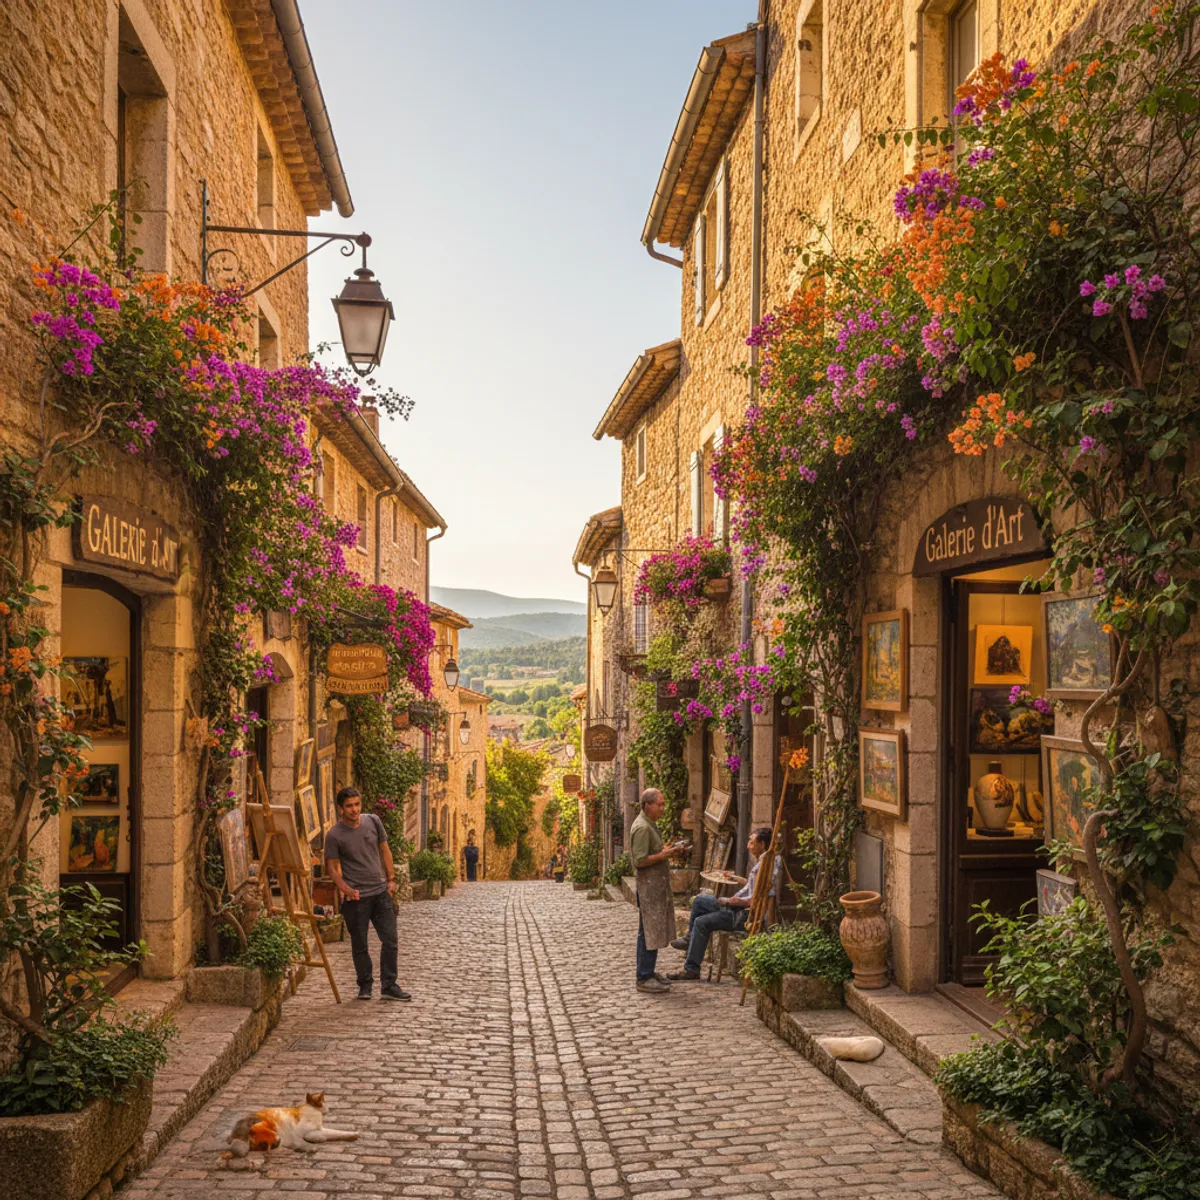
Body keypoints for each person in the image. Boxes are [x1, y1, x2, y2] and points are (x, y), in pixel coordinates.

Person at [323, 786, 410, 1002]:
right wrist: (346, 889)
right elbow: (332, 868)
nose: (354, 810)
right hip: (356, 898)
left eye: (357, 804)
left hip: (380, 892)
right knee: (359, 944)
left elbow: (385, 849)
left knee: (390, 940)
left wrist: (391, 879)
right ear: (341, 808)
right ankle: (365, 985)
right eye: (349, 806)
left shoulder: (373, 822)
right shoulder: (334, 835)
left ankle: (389, 985)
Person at [667, 827, 778, 981]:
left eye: (751, 842)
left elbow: (757, 900)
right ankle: (689, 938)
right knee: (700, 899)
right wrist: (736, 880)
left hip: (741, 914)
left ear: (763, 845)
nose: (747, 845)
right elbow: (754, 887)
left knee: (701, 922)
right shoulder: (762, 862)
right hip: (736, 906)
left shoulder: (766, 866)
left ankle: (691, 969)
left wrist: (731, 901)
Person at [629, 788, 690, 994]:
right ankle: (644, 976)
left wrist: (667, 851)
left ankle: (647, 971)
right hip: (649, 886)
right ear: (647, 805)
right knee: (648, 931)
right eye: (660, 805)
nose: (663, 809)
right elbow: (639, 860)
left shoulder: (649, 824)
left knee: (650, 930)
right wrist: (666, 855)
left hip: (655, 885)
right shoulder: (642, 828)